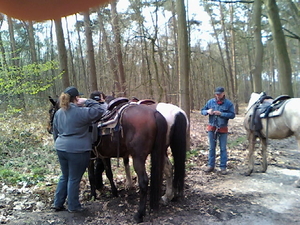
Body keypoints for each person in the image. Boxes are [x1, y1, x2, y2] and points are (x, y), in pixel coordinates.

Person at [52, 86, 106, 212]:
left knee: (65, 176)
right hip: (78, 150)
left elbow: (55, 132)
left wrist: (59, 145)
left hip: (61, 148)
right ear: (77, 98)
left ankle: (58, 203)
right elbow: (100, 110)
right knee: (74, 178)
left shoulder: (59, 112)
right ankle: (73, 206)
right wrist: (87, 101)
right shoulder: (82, 112)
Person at [201, 87, 235, 175]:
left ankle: (223, 167)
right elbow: (202, 111)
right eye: (216, 94)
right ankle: (210, 165)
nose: (217, 95)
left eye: (219, 94)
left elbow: (232, 115)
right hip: (211, 128)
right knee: (212, 148)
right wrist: (207, 111)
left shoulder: (228, 104)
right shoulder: (210, 102)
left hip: (223, 129)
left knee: (223, 148)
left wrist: (222, 114)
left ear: (223, 93)